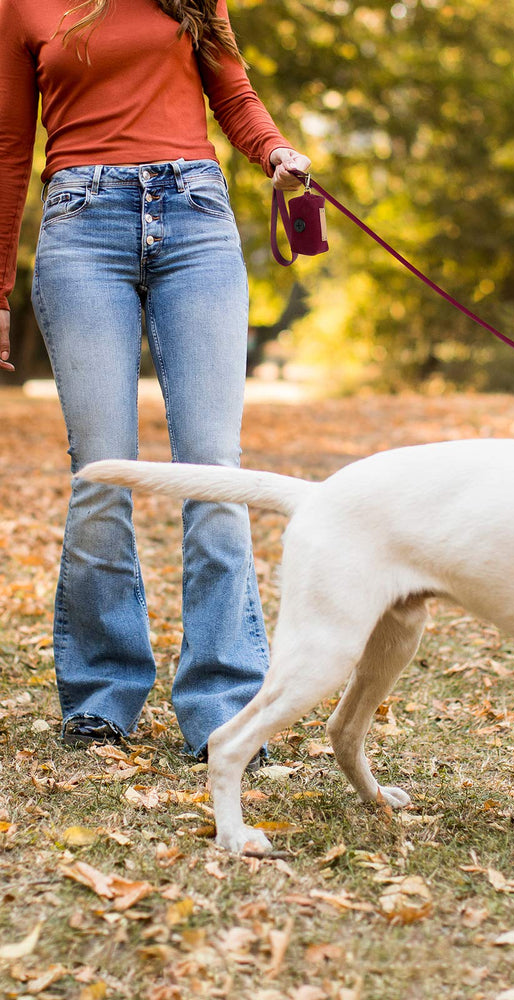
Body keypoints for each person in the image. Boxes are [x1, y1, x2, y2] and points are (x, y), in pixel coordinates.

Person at [0, 0, 311, 759]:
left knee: (214, 472)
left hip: (196, 218)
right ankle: (103, 695)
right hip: (82, 224)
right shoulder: (21, 5)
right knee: (100, 473)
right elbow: (10, 149)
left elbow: (233, 93)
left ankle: (226, 704)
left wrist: (274, 151)